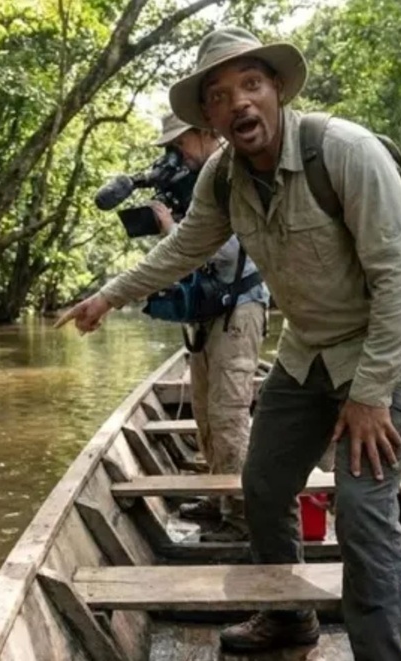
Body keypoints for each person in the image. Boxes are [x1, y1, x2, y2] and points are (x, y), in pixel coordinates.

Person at [56, 26, 401, 659]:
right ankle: (288, 620)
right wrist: (107, 296)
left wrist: (370, 397)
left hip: (388, 347)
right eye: (221, 95)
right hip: (309, 349)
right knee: (262, 484)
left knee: (363, 509)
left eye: (252, 85)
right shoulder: (222, 177)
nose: (239, 104)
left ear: (278, 90)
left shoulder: (345, 151)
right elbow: (182, 248)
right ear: (208, 115)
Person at [148, 112, 269, 539]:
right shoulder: (195, 184)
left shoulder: (232, 174)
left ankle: (239, 516)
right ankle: (219, 495)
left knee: (228, 412)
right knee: (203, 409)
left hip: (240, 309)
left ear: (204, 134)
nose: (177, 152)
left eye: (181, 142)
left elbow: (223, 250)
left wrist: (172, 231)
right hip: (209, 312)